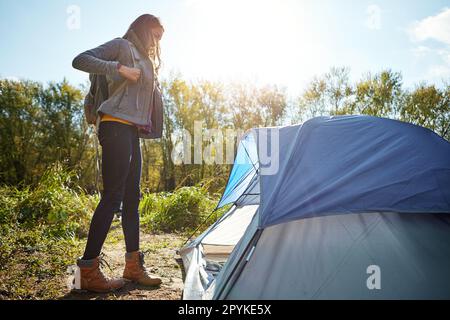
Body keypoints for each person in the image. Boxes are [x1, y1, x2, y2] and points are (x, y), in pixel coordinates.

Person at [72, 14, 164, 293]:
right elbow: (81, 59)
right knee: (112, 196)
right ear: (143, 29)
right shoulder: (122, 46)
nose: (157, 42)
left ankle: (133, 266)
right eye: (155, 35)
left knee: (132, 199)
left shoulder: (146, 60)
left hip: (132, 132)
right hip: (113, 126)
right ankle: (87, 269)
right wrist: (118, 69)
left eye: (161, 37)